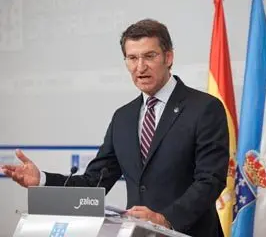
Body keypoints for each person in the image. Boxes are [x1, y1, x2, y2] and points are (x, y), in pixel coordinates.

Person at [2, 19, 229, 237]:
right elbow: (94, 182)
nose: (140, 67)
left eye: (149, 56)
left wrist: (165, 218)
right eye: (132, 58)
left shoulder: (204, 108)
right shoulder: (124, 117)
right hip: (138, 234)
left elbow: (210, 180)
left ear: (168, 57)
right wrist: (42, 179)